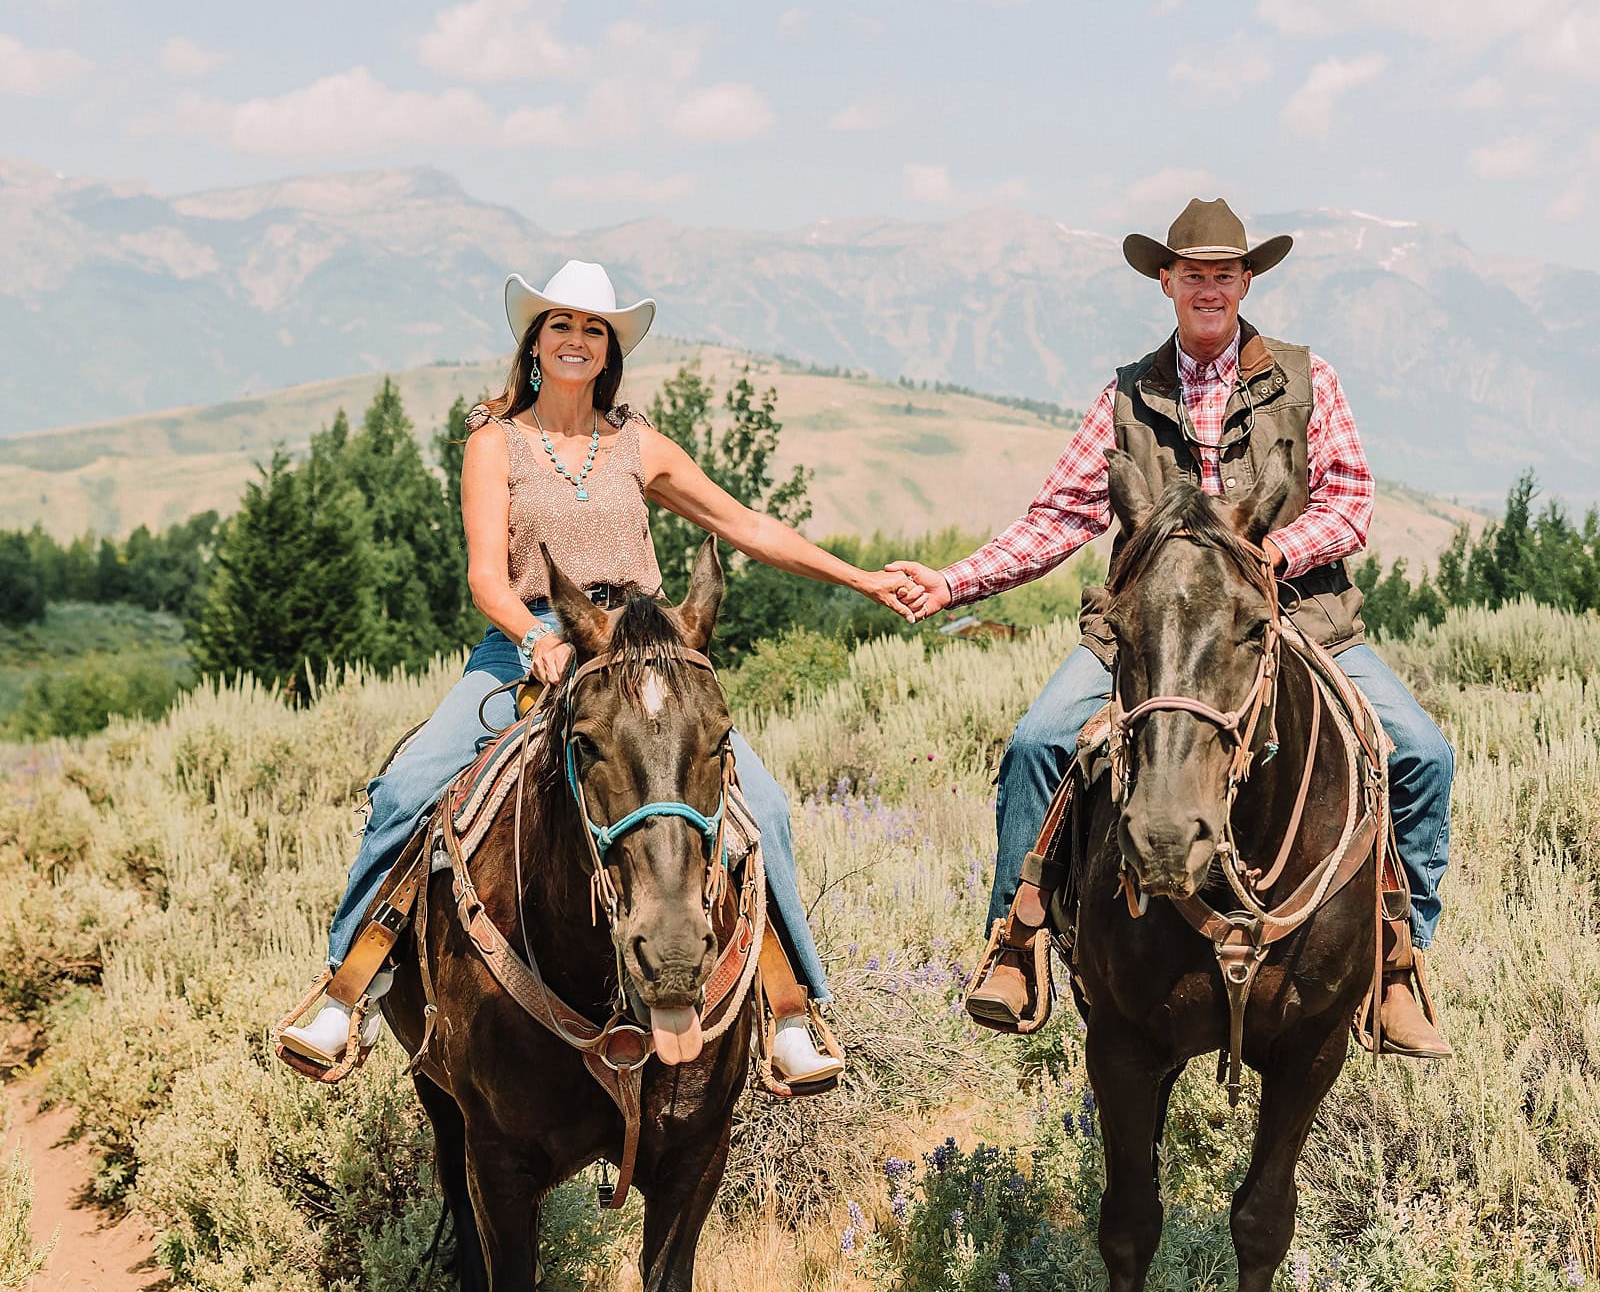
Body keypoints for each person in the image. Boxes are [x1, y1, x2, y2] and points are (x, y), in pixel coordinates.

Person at [281, 257, 917, 1083]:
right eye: (561, 325)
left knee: (763, 804)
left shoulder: (637, 443)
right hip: (531, 639)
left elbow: (749, 525)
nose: (577, 339)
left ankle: (790, 1006)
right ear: (535, 342)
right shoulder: (494, 441)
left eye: (594, 329)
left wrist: (862, 578)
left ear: (609, 349)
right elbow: (483, 572)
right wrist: (530, 631)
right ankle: (349, 987)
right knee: (410, 787)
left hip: (642, 651)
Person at [890, 196, 1454, 1060]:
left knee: (1419, 754)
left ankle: (1395, 957)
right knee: (1042, 740)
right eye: (1193, 273)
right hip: (1147, 631)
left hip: (1295, 616)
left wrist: (1264, 556)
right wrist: (955, 581)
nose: (1209, 287)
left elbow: (1348, 503)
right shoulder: (1128, 393)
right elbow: (1059, 517)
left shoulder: (1307, 380)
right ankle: (1017, 940)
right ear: (1166, 281)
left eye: (1224, 273)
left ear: (1246, 280)